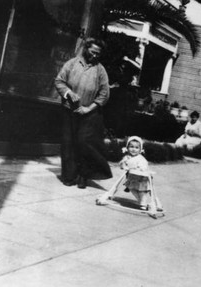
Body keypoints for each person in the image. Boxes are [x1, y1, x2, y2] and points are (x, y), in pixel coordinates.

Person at [54, 37, 112, 189]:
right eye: (92, 52)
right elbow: (59, 81)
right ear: (86, 49)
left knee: (84, 143)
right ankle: (68, 176)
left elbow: (104, 93)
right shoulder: (72, 63)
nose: (95, 56)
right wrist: (68, 92)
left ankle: (83, 175)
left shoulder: (100, 70)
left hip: (89, 113)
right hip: (69, 110)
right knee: (68, 143)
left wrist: (89, 108)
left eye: (98, 54)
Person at [119, 136, 163, 214]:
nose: (133, 149)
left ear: (140, 149)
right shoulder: (126, 157)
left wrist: (140, 168)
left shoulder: (141, 159)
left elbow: (144, 167)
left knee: (142, 192)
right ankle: (141, 202)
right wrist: (123, 165)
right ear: (127, 147)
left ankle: (143, 203)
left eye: (136, 147)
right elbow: (123, 166)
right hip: (132, 178)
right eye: (131, 146)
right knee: (132, 189)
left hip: (142, 179)